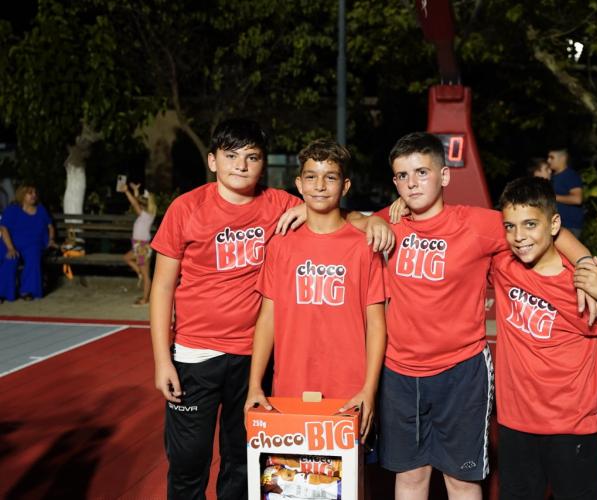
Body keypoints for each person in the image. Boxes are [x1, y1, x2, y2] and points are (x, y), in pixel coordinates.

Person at [149, 118, 392, 499]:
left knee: (241, 461)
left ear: (263, 164)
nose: (241, 165)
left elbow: (329, 207)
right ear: (212, 161)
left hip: (251, 356)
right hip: (197, 353)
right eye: (231, 156)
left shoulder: (279, 203)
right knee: (188, 461)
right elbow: (162, 286)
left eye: (252, 157)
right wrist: (163, 360)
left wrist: (367, 220)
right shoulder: (186, 208)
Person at [373, 132, 594, 500]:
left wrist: (586, 264)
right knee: (410, 477)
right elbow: (344, 221)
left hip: (460, 371)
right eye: (402, 176)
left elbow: (542, 228)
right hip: (399, 372)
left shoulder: (477, 224)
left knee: (461, 480)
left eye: (422, 172)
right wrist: (361, 219)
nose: (412, 183)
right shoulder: (388, 221)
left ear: (444, 175)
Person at [491, 176, 597, 499]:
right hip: (515, 422)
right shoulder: (503, 265)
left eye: (530, 225)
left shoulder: (583, 281)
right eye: (510, 227)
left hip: (571, 425)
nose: (519, 236)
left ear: (554, 224)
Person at [244, 138, 386, 440]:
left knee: (350, 470)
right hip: (290, 386)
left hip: (349, 390)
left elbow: (376, 323)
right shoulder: (281, 244)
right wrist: (255, 384)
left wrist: (369, 389)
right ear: (299, 184)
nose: (320, 185)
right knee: (291, 467)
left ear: (345, 186)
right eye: (311, 177)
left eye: (330, 177)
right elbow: (267, 317)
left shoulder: (364, 245)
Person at [0, 185, 56, 302]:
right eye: (30, 193)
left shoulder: (41, 209)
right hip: (11, 243)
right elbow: (4, 229)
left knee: (33, 256)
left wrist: (51, 240)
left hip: (33, 243)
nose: (34, 195)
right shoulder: (13, 209)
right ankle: (3, 293)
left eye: (35, 193)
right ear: (22, 195)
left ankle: (27, 291)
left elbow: (50, 226)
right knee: (11, 260)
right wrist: (11, 248)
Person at [118, 181, 157, 306]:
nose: (139, 204)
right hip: (139, 246)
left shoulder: (145, 215)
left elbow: (135, 203)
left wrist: (126, 191)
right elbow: (137, 202)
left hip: (142, 247)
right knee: (126, 258)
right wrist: (135, 191)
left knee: (146, 275)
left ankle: (145, 299)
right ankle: (139, 273)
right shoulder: (147, 214)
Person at [548, 148, 584, 237]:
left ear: (563, 158)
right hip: (556, 224)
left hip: (569, 226)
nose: (548, 160)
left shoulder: (570, 175)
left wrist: (552, 196)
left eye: (552, 157)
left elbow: (577, 199)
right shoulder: (552, 176)